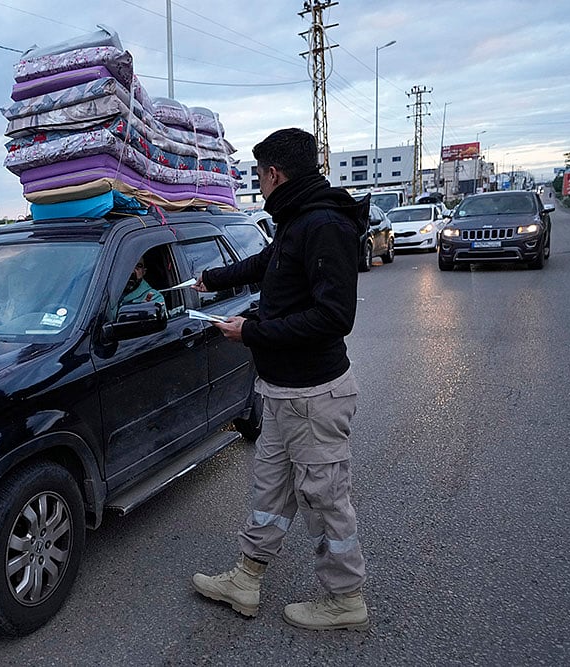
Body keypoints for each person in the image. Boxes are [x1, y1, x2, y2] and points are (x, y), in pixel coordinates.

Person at [190, 128, 371, 630]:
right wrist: (211, 279)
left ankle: (345, 599)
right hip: (282, 392)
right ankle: (246, 579)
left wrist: (252, 331)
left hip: (315, 394)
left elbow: (335, 317)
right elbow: (267, 264)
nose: (260, 186)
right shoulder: (295, 221)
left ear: (274, 173)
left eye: (261, 176)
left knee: (325, 499)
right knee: (270, 491)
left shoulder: (324, 225)